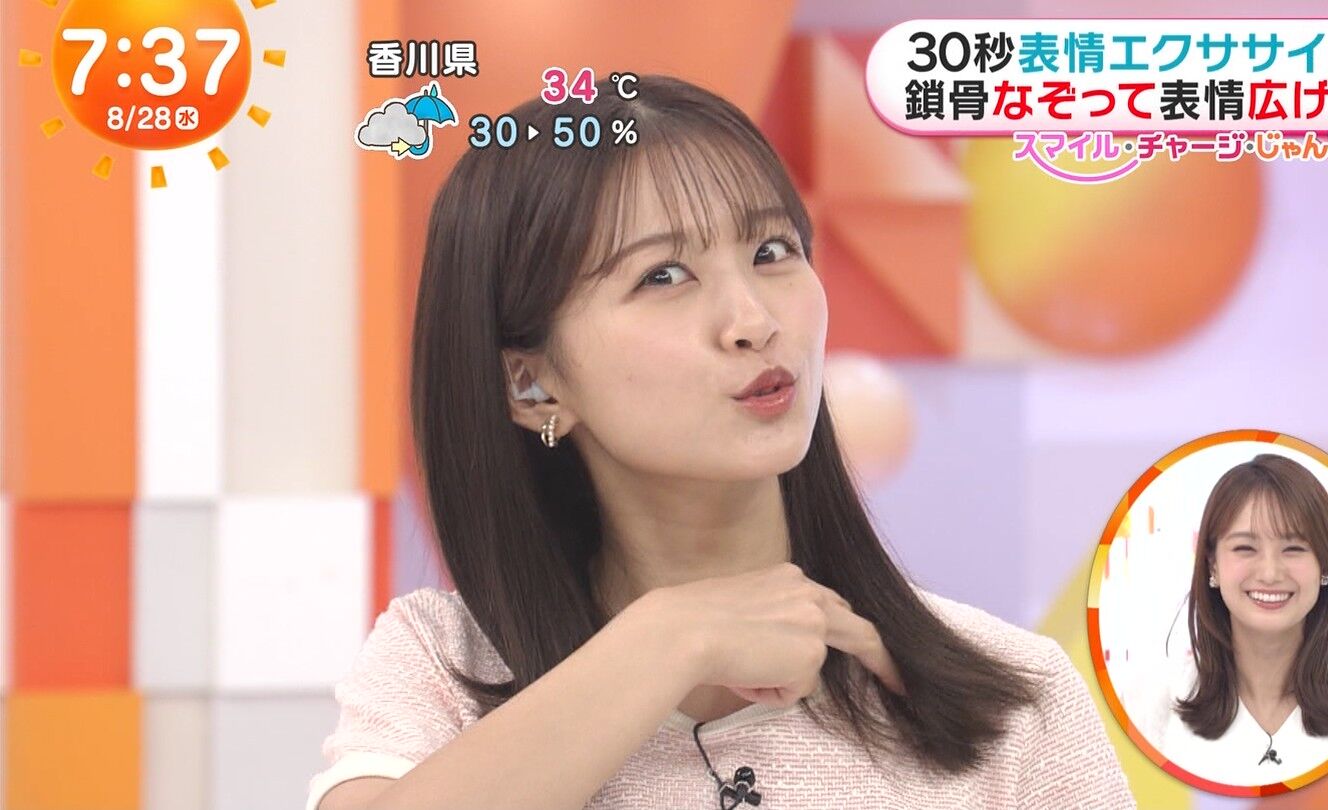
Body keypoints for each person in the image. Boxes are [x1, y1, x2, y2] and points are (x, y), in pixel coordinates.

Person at [307, 74, 1134, 810]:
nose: (754, 320)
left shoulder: (1012, 698)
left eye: (772, 251)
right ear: (533, 384)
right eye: (663, 276)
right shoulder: (444, 666)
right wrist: (672, 639)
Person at [1125, 453, 1328, 786]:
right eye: (1245, 548)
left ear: (1324, 566)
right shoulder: (1149, 702)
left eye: (1294, 548)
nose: (1270, 573)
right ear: (1212, 564)